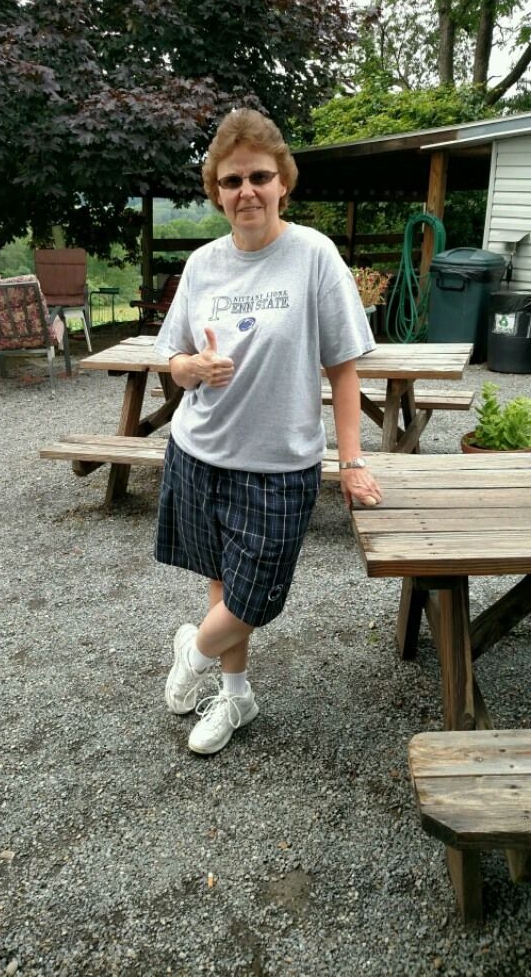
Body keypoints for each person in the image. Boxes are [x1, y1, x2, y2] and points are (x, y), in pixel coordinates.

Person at [154, 108, 382, 756]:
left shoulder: (313, 256)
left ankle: (194, 651)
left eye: (259, 176)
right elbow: (172, 361)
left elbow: (343, 369)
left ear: (283, 181)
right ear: (216, 191)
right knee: (223, 584)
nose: (246, 191)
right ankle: (236, 697)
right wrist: (192, 369)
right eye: (231, 181)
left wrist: (351, 461)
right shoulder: (202, 264)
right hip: (198, 452)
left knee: (257, 596)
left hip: (280, 466)